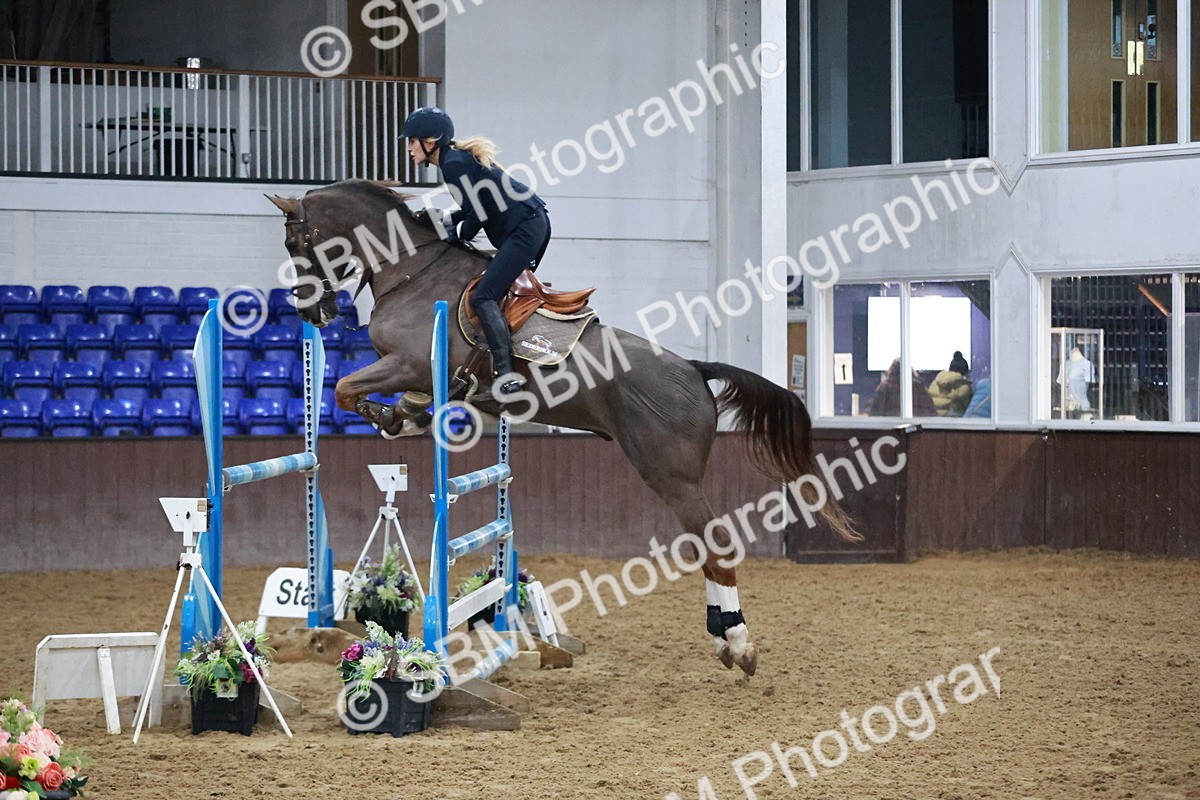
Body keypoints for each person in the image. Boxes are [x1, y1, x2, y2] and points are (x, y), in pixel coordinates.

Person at [401, 106, 551, 397]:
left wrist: (458, 233)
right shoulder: (455, 160)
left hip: (525, 228)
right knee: (495, 292)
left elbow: (477, 214)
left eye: (411, 140)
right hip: (529, 223)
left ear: (429, 142)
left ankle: (506, 374)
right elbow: (474, 206)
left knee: (483, 295)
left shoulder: (453, 164)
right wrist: (446, 220)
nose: (408, 148)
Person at [868, 358, 938, 416]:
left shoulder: (884, 388)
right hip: (917, 431)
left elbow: (874, 415)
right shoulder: (920, 389)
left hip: (890, 431)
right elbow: (933, 416)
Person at [927, 352, 973, 417]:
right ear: (964, 371)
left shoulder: (935, 382)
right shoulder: (963, 386)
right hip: (951, 422)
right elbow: (969, 408)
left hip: (933, 420)